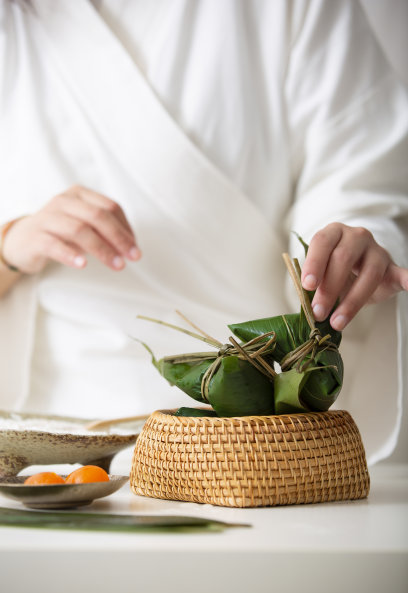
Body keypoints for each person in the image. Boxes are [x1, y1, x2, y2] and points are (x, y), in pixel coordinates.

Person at [1, 0, 407, 465]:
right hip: (44, 447)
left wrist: (347, 256)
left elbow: (358, 174)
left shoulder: (295, 9)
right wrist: (10, 246)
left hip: (258, 439)